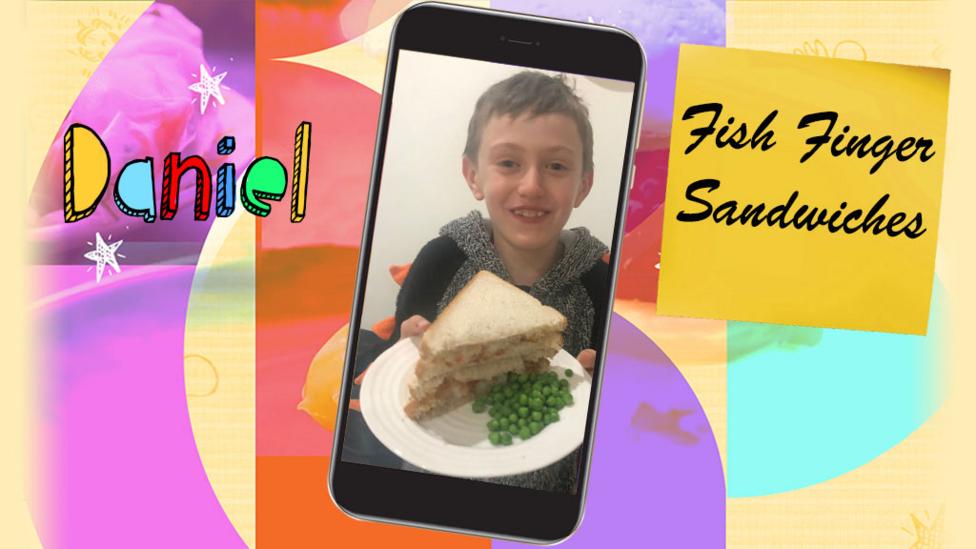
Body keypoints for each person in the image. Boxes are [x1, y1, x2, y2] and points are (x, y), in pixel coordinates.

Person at [343, 70, 610, 493]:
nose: (531, 185)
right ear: (473, 175)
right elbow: (403, 361)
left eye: (556, 166)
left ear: (583, 185)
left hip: (548, 495)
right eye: (508, 163)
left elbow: (592, 402)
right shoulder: (441, 259)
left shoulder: (601, 281)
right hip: (432, 477)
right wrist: (408, 342)